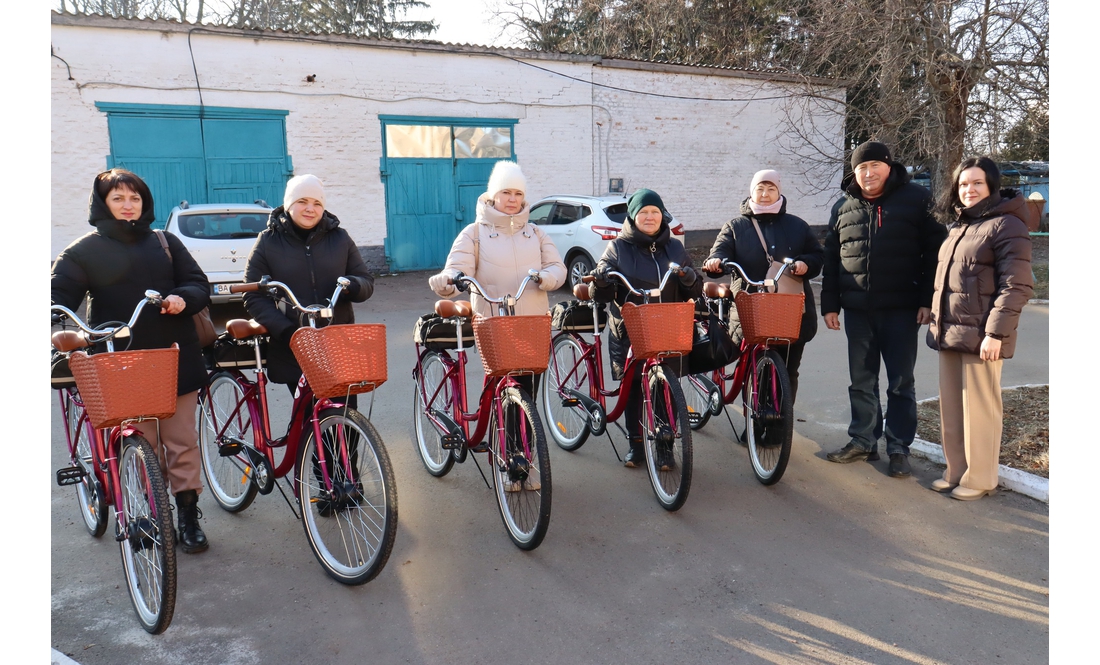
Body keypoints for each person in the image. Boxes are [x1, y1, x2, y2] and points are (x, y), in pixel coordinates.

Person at [51, 168, 213, 553]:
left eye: (135, 198)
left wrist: (184, 298)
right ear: (102, 203)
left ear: (145, 203)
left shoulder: (165, 242)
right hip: (120, 362)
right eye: (118, 198)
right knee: (140, 443)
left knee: (181, 441)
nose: (128, 205)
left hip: (175, 358)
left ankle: (187, 516)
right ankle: (147, 512)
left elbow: (198, 284)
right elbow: (57, 295)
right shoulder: (83, 251)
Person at [821, 140, 947, 478]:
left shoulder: (917, 200)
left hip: (902, 309)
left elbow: (935, 254)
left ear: (889, 167)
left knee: (900, 382)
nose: (868, 173)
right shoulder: (843, 207)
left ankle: (898, 448)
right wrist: (830, 304)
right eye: (861, 167)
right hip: (858, 310)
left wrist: (927, 300)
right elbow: (831, 260)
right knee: (861, 381)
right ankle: (863, 440)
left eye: (874, 165)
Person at [927, 157, 1032, 501]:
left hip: (983, 335)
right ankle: (956, 470)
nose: (968, 190)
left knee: (980, 409)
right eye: (963, 184)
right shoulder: (960, 225)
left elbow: (1017, 285)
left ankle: (981, 477)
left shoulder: (1007, 225)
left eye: (976, 183)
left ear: (991, 186)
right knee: (952, 407)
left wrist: (995, 334)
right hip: (951, 332)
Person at [428, 160, 566, 402]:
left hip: (532, 323)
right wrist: (447, 279)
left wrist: (547, 277)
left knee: (529, 391)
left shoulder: (536, 233)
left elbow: (557, 267)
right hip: (494, 324)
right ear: (494, 195)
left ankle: (525, 427)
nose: (512, 199)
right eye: (506, 192)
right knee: (497, 385)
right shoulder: (474, 233)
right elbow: (458, 268)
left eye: (518, 193)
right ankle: (495, 424)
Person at [591, 188, 703, 468]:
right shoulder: (617, 248)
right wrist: (602, 280)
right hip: (631, 329)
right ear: (633, 216)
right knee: (634, 388)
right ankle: (636, 444)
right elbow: (601, 294)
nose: (650, 217)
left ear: (662, 215)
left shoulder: (674, 247)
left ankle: (665, 448)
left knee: (666, 388)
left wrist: (690, 278)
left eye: (655, 212)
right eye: (643, 212)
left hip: (667, 328)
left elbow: (695, 289)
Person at [243, 174, 375, 397]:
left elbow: (365, 281)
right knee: (308, 413)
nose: (310, 209)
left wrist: (353, 285)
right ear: (288, 204)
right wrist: (286, 331)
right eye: (302, 201)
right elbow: (252, 295)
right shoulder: (268, 241)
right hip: (294, 345)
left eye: (317, 203)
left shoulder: (340, 238)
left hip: (338, 342)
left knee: (344, 413)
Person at [702, 169, 824, 405]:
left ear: (779, 191)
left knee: (788, 371)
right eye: (760, 189)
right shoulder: (736, 226)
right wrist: (716, 261)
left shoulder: (797, 226)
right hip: (750, 308)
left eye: (771, 189)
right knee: (752, 368)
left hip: (789, 309)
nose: (765, 194)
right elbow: (719, 251)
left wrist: (805, 264)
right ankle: (755, 418)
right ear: (751, 192)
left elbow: (817, 256)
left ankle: (781, 421)